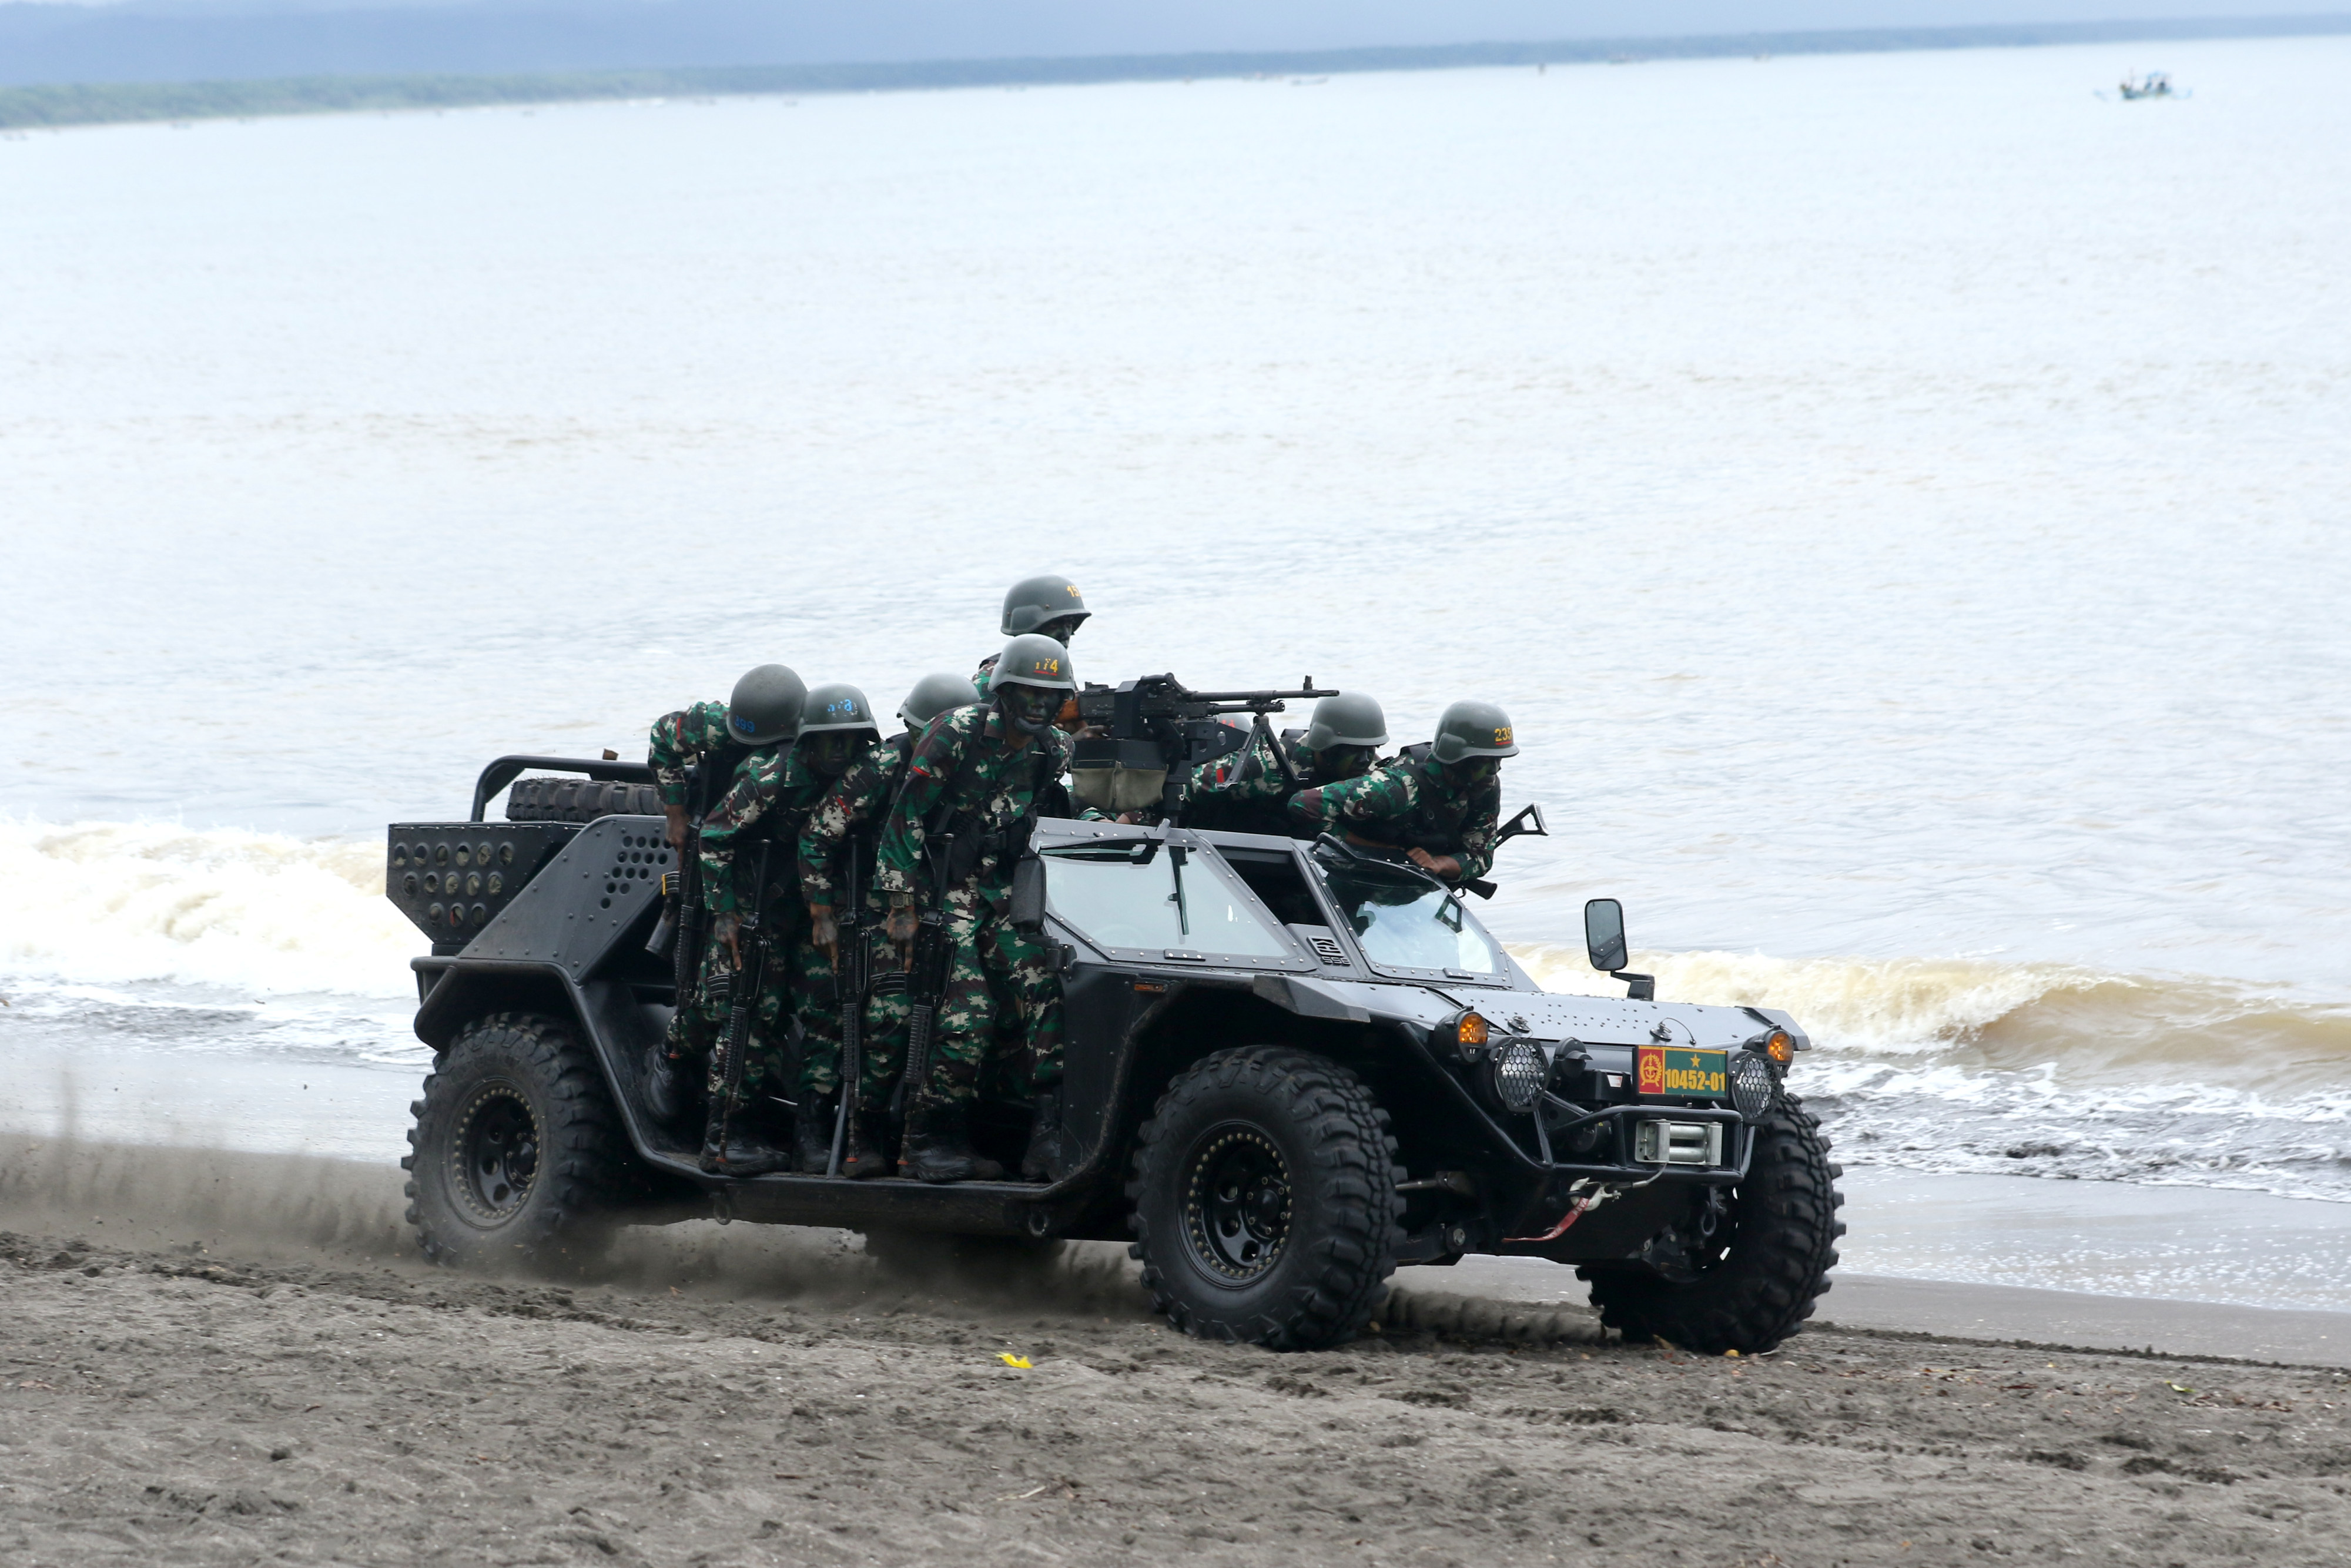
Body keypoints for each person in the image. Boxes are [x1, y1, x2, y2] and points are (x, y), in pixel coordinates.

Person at [876, 635, 1077, 1184]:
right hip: (939, 894)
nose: (1038, 706)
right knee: (970, 1016)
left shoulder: (1052, 750)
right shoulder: (955, 733)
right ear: (1003, 691)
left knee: (1047, 990)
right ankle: (928, 1139)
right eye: (1027, 693)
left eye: (1050, 696)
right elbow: (904, 821)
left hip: (1000, 895)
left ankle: (1048, 1135)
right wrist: (900, 906)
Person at [799, 672, 981, 1178]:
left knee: (963, 1020)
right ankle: (866, 1131)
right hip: (879, 910)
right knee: (891, 1017)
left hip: (944, 909)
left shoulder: (972, 767)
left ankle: (932, 1135)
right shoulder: (882, 766)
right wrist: (822, 912)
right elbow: (817, 837)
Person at [645, 664, 808, 1174]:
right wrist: (675, 813)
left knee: (746, 995)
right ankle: (673, 1057)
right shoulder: (714, 724)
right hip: (714, 854)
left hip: (761, 867)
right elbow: (661, 740)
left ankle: (701, 1073)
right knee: (722, 993)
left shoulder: (797, 747)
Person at [770, 682, 883, 1172]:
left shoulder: (875, 778)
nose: (840, 750)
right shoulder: (774, 776)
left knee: (851, 1017)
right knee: (793, 1015)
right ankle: (801, 1132)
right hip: (792, 914)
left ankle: (838, 1131)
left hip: (853, 911)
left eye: (851, 739)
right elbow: (715, 838)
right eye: (829, 739)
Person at [1287, 699, 1516, 887]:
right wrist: (1375, 850)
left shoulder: (1485, 786)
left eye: (1497, 761)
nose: (1493, 772)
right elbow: (1304, 804)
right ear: (1456, 758)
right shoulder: (1397, 787)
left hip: (1412, 887)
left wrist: (1439, 864)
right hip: (1351, 879)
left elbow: (1481, 857)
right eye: (1483, 763)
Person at [1187, 690, 1391, 837]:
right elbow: (1187, 786)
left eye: (1371, 749)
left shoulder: (1372, 775)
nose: (1365, 759)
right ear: (1325, 745)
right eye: (1353, 750)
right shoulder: (1265, 766)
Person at [972, 573, 1089, 699]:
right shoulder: (992, 676)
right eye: (1056, 625)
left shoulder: (1056, 666)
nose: (1066, 634)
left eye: (1070, 623)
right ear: (1029, 626)